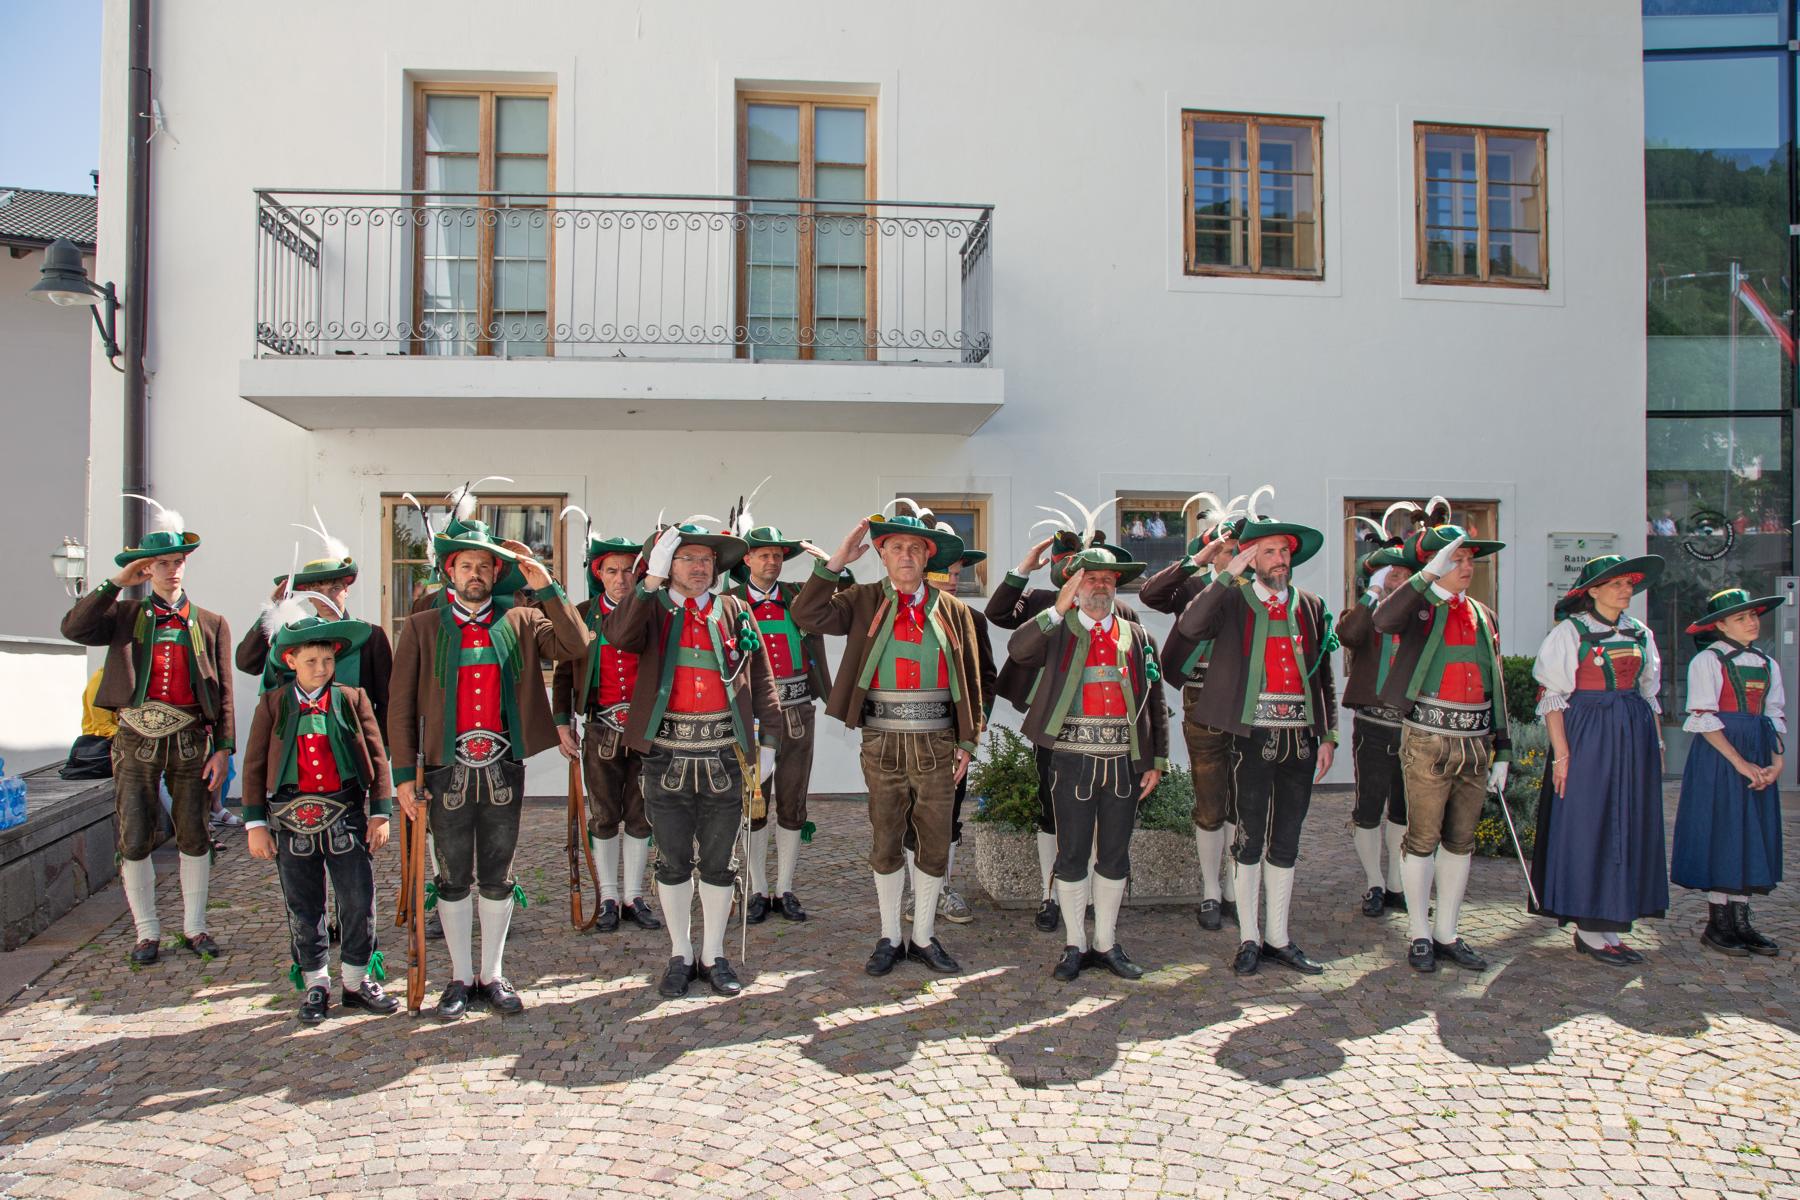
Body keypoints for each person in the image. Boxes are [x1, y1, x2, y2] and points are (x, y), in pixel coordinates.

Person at [388, 517, 589, 1018]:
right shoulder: (422, 626)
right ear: (450, 572)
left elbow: (577, 644)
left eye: (484, 565)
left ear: (497, 572)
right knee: (453, 876)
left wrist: (546, 585)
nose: (475, 574)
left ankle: (492, 974)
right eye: (466, 565)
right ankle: (459, 978)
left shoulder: (521, 619)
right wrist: (403, 776)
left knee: (498, 874)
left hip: (503, 764)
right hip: (443, 768)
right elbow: (400, 705)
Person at [793, 502, 987, 976]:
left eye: (914, 548)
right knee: (885, 839)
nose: (905, 555)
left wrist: (968, 741)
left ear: (928, 556)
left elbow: (972, 680)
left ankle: (923, 936)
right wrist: (837, 561)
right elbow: (807, 614)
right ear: (882, 555)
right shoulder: (860, 599)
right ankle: (888, 936)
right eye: (896, 547)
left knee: (934, 842)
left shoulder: (955, 610)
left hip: (938, 743)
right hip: (881, 740)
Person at [603, 521, 782, 998]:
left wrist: (768, 744)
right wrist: (649, 581)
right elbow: (618, 635)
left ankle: (714, 954)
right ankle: (680, 953)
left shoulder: (735, 609)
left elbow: (762, 678)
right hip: (666, 756)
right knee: (673, 861)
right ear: (669, 564)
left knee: (721, 863)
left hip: (726, 755)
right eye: (687, 558)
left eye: (706, 559)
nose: (700, 567)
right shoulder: (650, 609)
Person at [1163, 503, 1338, 976]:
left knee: (1287, 840)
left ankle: (1278, 937)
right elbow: (1190, 627)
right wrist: (1226, 574)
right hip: (1251, 736)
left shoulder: (1311, 605)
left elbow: (1321, 674)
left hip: (1300, 738)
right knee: (1249, 837)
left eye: (1285, 551)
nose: (1280, 560)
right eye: (1270, 552)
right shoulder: (1232, 600)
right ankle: (1248, 937)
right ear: (1252, 558)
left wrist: (1328, 734)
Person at [60, 497, 234, 966]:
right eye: (162, 563)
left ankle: (195, 927)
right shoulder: (124, 615)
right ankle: (146, 931)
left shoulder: (211, 623)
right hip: (135, 737)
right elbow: (74, 628)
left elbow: (223, 694)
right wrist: (116, 583)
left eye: (177, 562)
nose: (172, 570)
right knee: (135, 832)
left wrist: (223, 749)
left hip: (190, 737)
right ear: (146, 568)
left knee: (194, 831)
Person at [1006, 546, 1168, 980]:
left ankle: (1106, 943)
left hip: (1123, 762)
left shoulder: (1139, 637)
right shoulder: (1057, 628)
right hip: (1070, 759)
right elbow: (1018, 650)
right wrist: (1057, 609)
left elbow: (1155, 701)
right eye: (1090, 578)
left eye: (1107, 579)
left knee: (1114, 855)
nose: (1100, 586)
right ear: (1075, 585)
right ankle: (1074, 943)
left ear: (1116, 586)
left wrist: (1156, 759)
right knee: (1072, 854)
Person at [985, 501, 1141, 934]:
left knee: (1102, 817)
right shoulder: (1043, 602)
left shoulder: (1122, 614)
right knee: (1052, 811)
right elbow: (998, 613)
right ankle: (1049, 893)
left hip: (1108, 735)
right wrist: (1024, 568)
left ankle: (1090, 896)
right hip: (1054, 730)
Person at [241, 606, 397, 1021]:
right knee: (303, 905)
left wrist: (381, 813)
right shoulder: (273, 704)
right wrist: (255, 824)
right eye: (311, 661)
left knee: (358, 899)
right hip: (291, 819)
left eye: (327, 660)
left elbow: (377, 758)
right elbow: (254, 765)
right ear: (290, 661)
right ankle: (316, 984)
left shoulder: (352, 698)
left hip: (346, 814)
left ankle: (356, 981)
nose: (321, 668)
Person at [1371, 526, 1512, 972]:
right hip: (1428, 738)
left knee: (1460, 841)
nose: (1467, 567)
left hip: (1476, 741)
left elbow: (1496, 683)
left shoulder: (1484, 615)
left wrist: (1504, 748)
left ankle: (1447, 932)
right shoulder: (1419, 607)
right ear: (1436, 563)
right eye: (1457, 559)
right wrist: (1425, 577)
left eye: (1470, 559)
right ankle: (1418, 933)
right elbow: (1382, 620)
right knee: (1422, 839)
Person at [1530, 553, 1668, 967]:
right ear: (1592, 592)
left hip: (1634, 735)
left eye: (1629, 584)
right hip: (1588, 735)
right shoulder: (1569, 632)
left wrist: (1657, 746)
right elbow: (1552, 698)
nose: (1626, 590)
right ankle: (1588, 927)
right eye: (1616, 584)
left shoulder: (1640, 632)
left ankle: (1612, 924)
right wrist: (1562, 756)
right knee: (1589, 821)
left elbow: (1649, 693)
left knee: (1627, 821)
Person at [723, 523, 847, 924]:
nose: (772, 562)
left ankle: (785, 888)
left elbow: (846, 591)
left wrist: (831, 564)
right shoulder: (730, 602)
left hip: (797, 711)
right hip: (753, 716)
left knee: (793, 802)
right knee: (754, 802)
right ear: (747, 559)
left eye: (777, 555)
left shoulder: (798, 596)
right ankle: (759, 889)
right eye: (764, 555)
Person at [551, 532, 663, 933]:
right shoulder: (582, 615)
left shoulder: (653, 612)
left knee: (641, 813)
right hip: (600, 726)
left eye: (629, 570)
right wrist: (562, 722)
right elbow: (565, 672)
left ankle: (634, 896)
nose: (621, 578)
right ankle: (609, 897)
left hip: (646, 728)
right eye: (612, 571)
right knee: (603, 815)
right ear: (599, 574)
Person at [1138, 509, 1241, 931]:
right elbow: (1150, 594)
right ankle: (1210, 891)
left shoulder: (1259, 591)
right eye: (1227, 550)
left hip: (1247, 701)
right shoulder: (1195, 585)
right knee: (1210, 798)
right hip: (1202, 697)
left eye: (1241, 550)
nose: (1236, 556)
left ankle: (1235, 888)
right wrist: (1198, 559)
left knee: (1244, 800)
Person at [1671, 587, 1786, 957]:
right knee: (1723, 829)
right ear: (1720, 625)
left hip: (1757, 749)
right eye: (1741, 617)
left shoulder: (1768, 663)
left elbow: (1773, 715)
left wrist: (1776, 762)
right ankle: (1717, 923)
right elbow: (1703, 717)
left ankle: (1741, 921)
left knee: (1750, 832)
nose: (1751, 622)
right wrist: (1740, 763)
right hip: (1720, 754)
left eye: (1753, 615)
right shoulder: (1708, 661)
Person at [922, 542, 999, 925]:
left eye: (958, 573)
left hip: (954, 736)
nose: (955, 580)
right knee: (909, 815)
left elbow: (987, 679)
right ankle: (917, 893)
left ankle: (943, 888)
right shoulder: (905, 614)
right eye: (948, 573)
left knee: (949, 813)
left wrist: (973, 729)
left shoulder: (973, 618)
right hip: (909, 733)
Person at [1335, 543, 1412, 920]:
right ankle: (1374, 882)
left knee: (1404, 810)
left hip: (1413, 725)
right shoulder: (1364, 612)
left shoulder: (1421, 613)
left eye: (1405, 574)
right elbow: (1349, 635)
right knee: (1368, 807)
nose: (1399, 579)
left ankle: (1397, 884)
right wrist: (1374, 592)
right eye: (1391, 574)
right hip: (1373, 723)